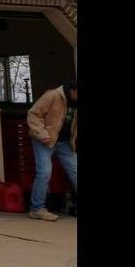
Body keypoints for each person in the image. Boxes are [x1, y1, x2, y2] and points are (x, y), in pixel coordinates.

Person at [25, 81, 78, 220]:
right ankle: (37, 208)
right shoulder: (53, 95)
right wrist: (42, 134)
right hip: (45, 140)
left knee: (75, 171)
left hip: (65, 142)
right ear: (73, 90)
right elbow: (33, 114)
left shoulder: (75, 102)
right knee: (44, 172)